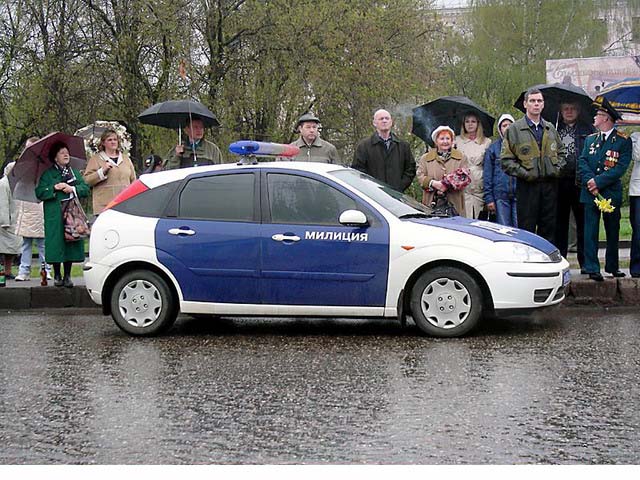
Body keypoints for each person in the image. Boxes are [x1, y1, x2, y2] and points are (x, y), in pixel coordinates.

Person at [501, 87, 566, 244]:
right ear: (525, 104)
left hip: (550, 186)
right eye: (532, 101)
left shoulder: (550, 129)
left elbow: (563, 154)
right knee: (526, 229)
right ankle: (528, 263)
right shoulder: (515, 129)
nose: (536, 104)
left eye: (539, 101)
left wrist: (556, 170)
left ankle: (546, 263)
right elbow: (506, 160)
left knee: (549, 227)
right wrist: (525, 173)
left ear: (543, 105)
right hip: (527, 187)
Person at [578, 96, 632, 282]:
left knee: (612, 230)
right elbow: (583, 161)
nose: (594, 117)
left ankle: (612, 266)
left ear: (606, 118)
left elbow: (620, 168)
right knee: (590, 231)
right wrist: (590, 182)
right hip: (589, 192)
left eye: (598, 114)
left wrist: (598, 182)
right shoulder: (590, 140)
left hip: (610, 192)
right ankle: (592, 267)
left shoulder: (623, 141)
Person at [35, 141, 90, 288]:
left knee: (70, 242)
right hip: (55, 215)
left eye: (67, 152)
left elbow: (85, 189)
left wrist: (71, 188)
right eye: (62, 153)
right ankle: (57, 274)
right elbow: (39, 192)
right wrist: (53, 188)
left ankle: (67, 275)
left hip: (71, 214)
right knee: (55, 243)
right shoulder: (48, 174)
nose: (66, 155)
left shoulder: (73, 172)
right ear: (55, 157)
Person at [555, 101, 595, 272]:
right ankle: (560, 262)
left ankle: (585, 262)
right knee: (560, 224)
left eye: (572, 109)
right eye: (566, 109)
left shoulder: (587, 130)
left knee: (583, 223)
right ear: (561, 111)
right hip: (559, 181)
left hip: (580, 181)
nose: (569, 112)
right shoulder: (554, 130)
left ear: (578, 111)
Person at [14, 137, 52, 282]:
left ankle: (46, 269)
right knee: (26, 243)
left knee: (42, 243)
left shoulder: (46, 166)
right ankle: (24, 270)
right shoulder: (20, 165)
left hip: (39, 206)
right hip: (25, 205)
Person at [352, 109, 415, 192]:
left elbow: (410, 169)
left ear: (391, 122)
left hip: (397, 195)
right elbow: (358, 171)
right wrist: (371, 187)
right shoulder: (364, 146)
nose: (384, 121)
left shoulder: (403, 146)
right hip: (373, 195)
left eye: (387, 118)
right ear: (374, 123)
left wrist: (400, 186)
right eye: (381, 119)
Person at [416, 126, 469, 216]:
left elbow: (465, 176)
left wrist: (447, 184)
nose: (445, 141)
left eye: (448, 138)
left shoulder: (461, 157)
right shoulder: (425, 158)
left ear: (452, 141)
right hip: (431, 201)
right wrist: (433, 183)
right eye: (442, 139)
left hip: (454, 203)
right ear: (436, 141)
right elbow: (420, 176)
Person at [83, 128, 137, 215]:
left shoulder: (126, 159)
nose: (113, 142)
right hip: (104, 207)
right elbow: (87, 181)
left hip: (125, 205)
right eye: (109, 140)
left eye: (115, 139)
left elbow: (133, 181)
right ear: (103, 143)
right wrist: (102, 171)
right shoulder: (96, 159)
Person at [483, 114, 517, 226]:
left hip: (519, 195)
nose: (507, 127)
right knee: (503, 228)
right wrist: (489, 198)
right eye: (504, 125)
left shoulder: (521, 146)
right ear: (500, 129)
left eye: (510, 124)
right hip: (500, 196)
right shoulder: (493, 148)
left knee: (519, 228)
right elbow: (488, 175)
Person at [455, 112, 491, 219]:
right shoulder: (456, 141)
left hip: (479, 186)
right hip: (463, 186)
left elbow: (489, 165)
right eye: (467, 121)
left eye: (473, 121)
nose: (470, 124)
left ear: (478, 124)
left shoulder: (486, 141)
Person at [0, 161, 22, 280]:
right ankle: (3, 272)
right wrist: (4, 221)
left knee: (11, 249)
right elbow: (2, 204)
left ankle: (7, 271)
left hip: (14, 220)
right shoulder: (3, 184)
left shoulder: (16, 183)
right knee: (4, 248)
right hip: (6, 222)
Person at [630, 132, 640, 278]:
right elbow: (637, 156)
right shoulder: (635, 136)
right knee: (638, 229)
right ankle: (637, 267)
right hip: (638, 191)